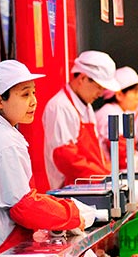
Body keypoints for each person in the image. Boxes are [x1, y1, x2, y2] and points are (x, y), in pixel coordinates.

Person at [0, 60, 87, 257]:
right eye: (25, 94)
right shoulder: (2, 139)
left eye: (33, 92)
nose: (33, 101)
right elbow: (24, 207)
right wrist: (72, 215)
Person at [42, 50, 121, 189]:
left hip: (91, 186)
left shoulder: (86, 106)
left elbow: (94, 153)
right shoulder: (61, 106)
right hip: (71, 191)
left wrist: (109, 173)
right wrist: (104, 177)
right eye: (99, 87)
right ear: (83, 78)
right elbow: (67, 160)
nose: (101, 94)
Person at [95, 66, 138, 170]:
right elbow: (124, 159)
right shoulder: (110, 114)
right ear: (119, 95)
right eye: (135, 92)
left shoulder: (118, 112)